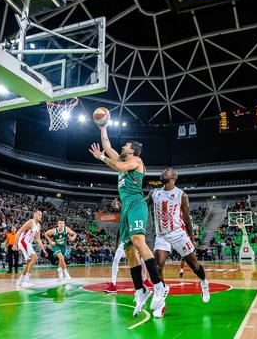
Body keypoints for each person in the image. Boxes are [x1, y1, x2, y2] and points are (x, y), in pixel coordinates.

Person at [89, 123, 167, 316]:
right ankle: (140, 290)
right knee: (129, 250)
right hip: (125, 208)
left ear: (132, 151)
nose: (122, 147)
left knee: (138, 241)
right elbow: (107, 147)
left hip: (137, 204)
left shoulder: (136, 161)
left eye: (125, 146)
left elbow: (119, 165)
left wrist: (101, 157)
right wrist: (102, 127)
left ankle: (159, 286)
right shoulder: (121, 158)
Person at [149, 168, 210, 318]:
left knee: (194, 265)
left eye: (166, 173)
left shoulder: (181, 195)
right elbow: (141, 205)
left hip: (178, 233)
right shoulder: (154, 193)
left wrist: (191, 238)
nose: (163, 174)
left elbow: (187, 218)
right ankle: (162, 304)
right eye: (162, 172)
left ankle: (204, 282)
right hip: (161, 235)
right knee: (157, 267)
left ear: (174, 177)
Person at [105, 199, 151, 293]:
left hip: (133, 240)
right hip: (128, 241)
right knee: (138, 260)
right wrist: (116, 244)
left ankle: (144, 281)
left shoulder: (129, 210)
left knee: (141, 260)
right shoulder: (125, 214)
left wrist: (118, 203)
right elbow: (119, 231)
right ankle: (114, 284)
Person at [12, 211, 48, 288]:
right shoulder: (30, 222)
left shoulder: (38, 226)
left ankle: (20, 280)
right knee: (35, 258)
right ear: (34, 215)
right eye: (39, 214)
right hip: (23, 241)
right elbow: (18, 232)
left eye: (41, 215)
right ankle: (26, 281)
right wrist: (15, 244)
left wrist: (44, 250)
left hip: (27, 243)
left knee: (29, 261)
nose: (40, 216)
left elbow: (38, 239)